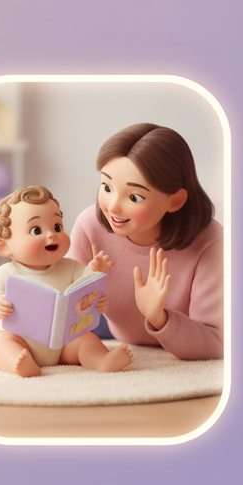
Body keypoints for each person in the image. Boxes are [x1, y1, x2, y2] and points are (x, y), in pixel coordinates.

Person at [69, 123, 222, 360]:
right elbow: (62, 301)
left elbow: (218, 343)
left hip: (184, 337)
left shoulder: (211, 243)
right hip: (107, 326)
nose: (113, 206)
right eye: (107, 187)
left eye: (134, 196)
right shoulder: (89, 226)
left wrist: (158, 316)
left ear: (175, 201)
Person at [0, 185, 131, 376]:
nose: (51, 234)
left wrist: (97, 283)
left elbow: (87, 288)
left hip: (63, 344)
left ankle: (103, 360)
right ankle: (19, 363)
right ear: (4, 247)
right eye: (36, 230)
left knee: (86, 339)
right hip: (21, 339)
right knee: (0, 344)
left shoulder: (70, 267)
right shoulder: (7, 273)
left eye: (57, 226)